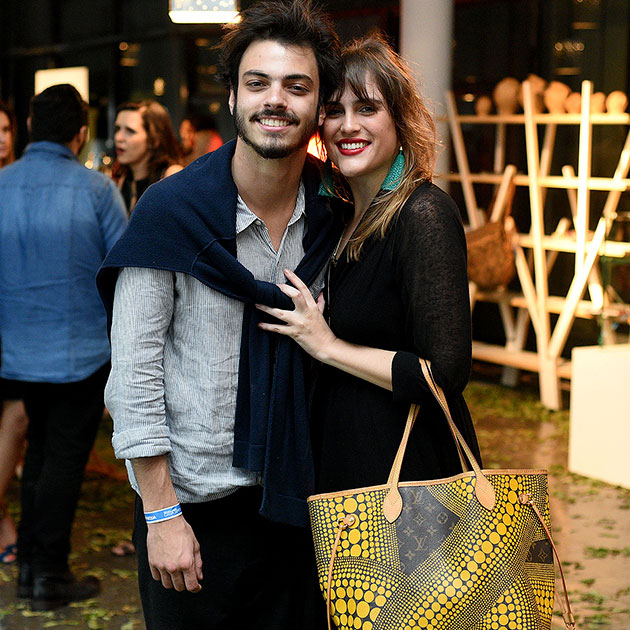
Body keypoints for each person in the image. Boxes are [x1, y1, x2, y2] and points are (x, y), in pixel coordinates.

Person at [96, 1, 342, 628]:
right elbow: (133, 376)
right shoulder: (171, 212)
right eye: (257, 83)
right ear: (232, 97)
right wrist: (161, 514)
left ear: (320, 106)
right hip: (194, 513)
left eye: (297, 86)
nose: (275, 100)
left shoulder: (337, 215)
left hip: (303, 508)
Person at [256, 34, 482, 498]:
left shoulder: (423, 214)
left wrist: (329, 346)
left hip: (409, 477)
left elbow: (444, 374)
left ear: (400, 120)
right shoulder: (340, 218)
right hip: (346, 462)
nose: (347, 126)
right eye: (334, 111)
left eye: (367, 109)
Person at [0, 84, 127, 610]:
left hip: (15, 355)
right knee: (62, 462)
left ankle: (31, 568)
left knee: (38, 455)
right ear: (80, 133)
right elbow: (123, 272)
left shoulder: (1, 185)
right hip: (80, 356)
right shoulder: (96, 191)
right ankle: (48, 575)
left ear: (30, 127)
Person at [0, 100, 28, 567]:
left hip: (22, 316)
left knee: (19, 414)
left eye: (5, 129)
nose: (0, 138)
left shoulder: (25, 181)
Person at [113, 100, 182, 215]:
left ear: (153, 139)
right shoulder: (123, 179)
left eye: (130, 131)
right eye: (117, 129)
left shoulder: (171, 175)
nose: (118, 138)